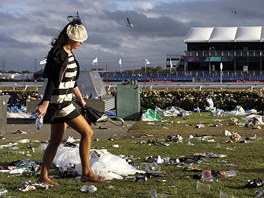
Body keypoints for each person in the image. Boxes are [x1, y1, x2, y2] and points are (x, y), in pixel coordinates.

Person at [37, 13, 104, 186]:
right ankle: (87, 173)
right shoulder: (59, 55)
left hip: (63, 101)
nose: (82, 43)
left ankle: (43, 175)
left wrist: (81, 99)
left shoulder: (66, 52)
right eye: (79, 40)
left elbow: (70, 81)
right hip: (60, 103)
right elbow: (52, 80)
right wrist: (45, 103)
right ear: (70, 38)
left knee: (55, 141)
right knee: (87, 132)